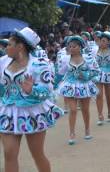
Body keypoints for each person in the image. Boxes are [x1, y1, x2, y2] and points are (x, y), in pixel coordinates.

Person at [0, 27, 64, 172]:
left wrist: (32, 90)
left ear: (20, 46)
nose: (6, 47)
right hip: (7, 112)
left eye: (9, 44)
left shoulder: (39, 64)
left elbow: (47, 92)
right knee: (9, 154)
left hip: (33, 113)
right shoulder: (3, 62)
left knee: (37, 154)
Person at [56, 36, 100, 145]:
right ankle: (72, 133)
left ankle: (87, 129)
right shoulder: (65, 59)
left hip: (84, 86)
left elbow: (96, 71)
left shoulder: (88, 58)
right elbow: (60, 72)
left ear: (80, 47)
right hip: (70, 86)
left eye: (74, 46)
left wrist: (85, 75)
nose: (71, 48)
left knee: (85, 109)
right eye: (69, 46)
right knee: (73, 110)